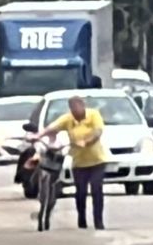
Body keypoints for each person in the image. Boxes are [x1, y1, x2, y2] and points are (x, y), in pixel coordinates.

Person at [31, 96, 111, 230]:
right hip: (79, 162)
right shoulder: (68, 119)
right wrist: (38, 136)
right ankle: (82, 220)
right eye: (72, 109)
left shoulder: (93, 115)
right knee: (80, 193)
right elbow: (53, 128)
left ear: (82, 106)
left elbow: (98, 131)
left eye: (77, 108)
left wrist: (86, 141)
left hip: (97, 160)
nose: (74, 112)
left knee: (97, 190)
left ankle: (99, 221)